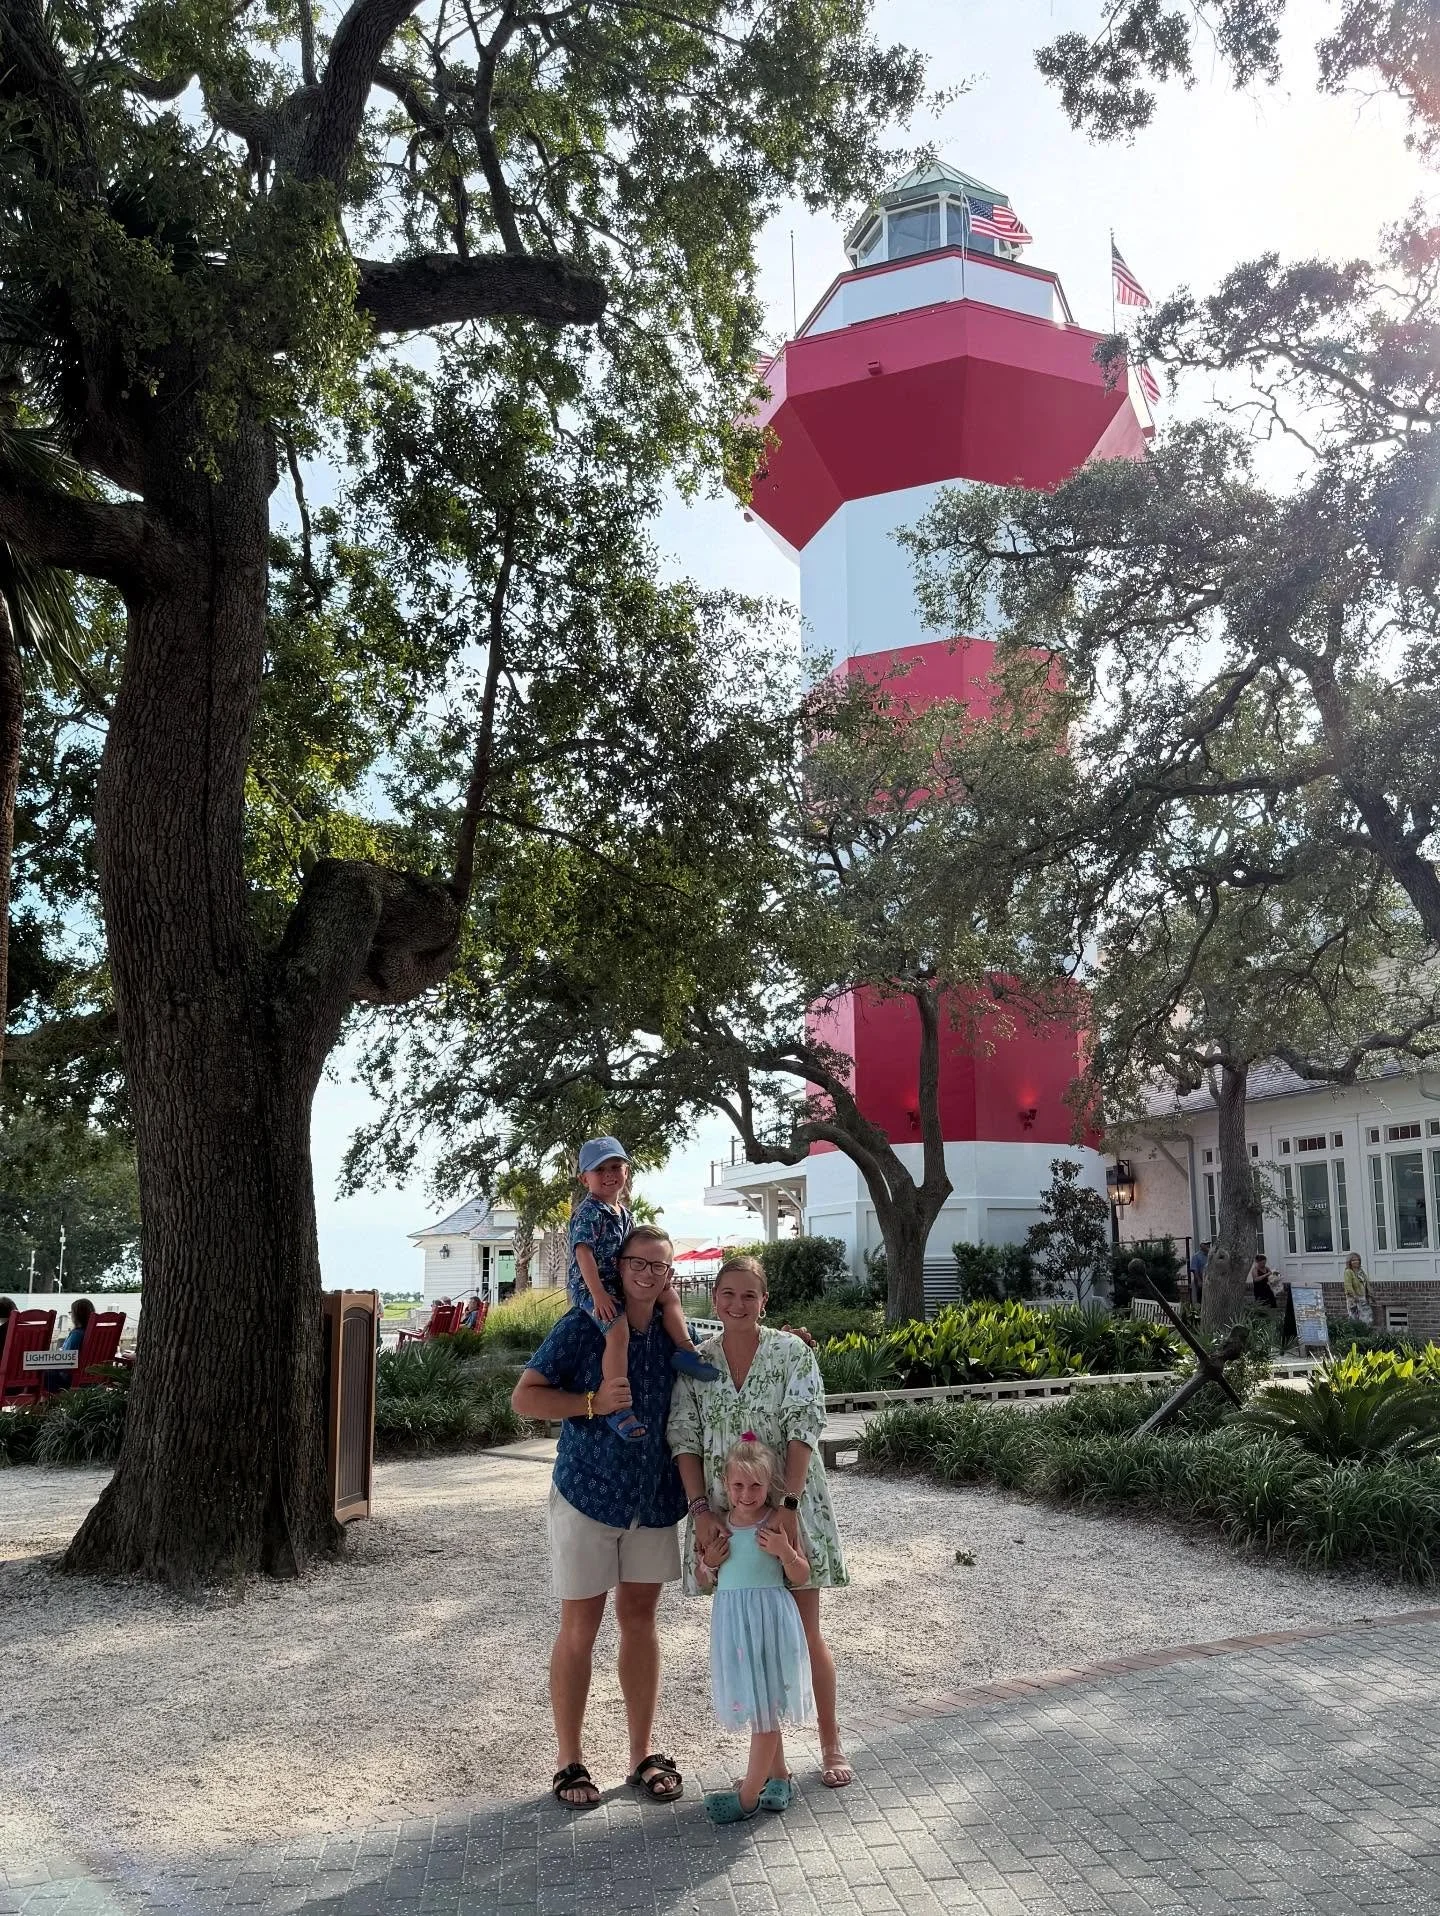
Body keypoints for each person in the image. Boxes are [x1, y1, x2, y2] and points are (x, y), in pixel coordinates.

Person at [511, 1224, 692, 1811]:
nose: (647, 1275)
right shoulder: (583, 1324)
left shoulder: (671, 1334)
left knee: (640, 1620)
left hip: (653, 1497)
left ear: (669, 1276)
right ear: (619, 1266)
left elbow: (722, 1364)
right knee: (580, 1626)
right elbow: (525, 1397)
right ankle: (569, 1761)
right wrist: (591, 1404)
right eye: (638, 1263)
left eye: (659, 1267)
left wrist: (786, 1342)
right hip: (587, 1494)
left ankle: (641, 1754)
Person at [668, 1253, 854, 1790]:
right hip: (728, 1517)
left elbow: (804, 1425)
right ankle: (771, 1762)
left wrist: (788, 1506)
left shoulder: (792, 1352)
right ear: (715, 1299)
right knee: (752, 1631)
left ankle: (829, 1741)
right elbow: (685, 1438)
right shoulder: (697, 1365)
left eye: (749, 1295)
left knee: (806, 1630)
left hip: (792, 1508)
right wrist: (700, 1511)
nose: (737, 1304)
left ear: (763, 1301)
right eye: (728, 1294)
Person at [569, 1136, 717, 1443]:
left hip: (618, 1280)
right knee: (617, 1330)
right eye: (600, 1170)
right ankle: (617, 1405)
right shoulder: (589, 1212)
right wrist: (597, 1294)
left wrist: (651, 1274)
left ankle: (686, 1350)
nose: (610, 1174)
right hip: (591, 1284)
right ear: (585, 1178)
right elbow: (583, 1253)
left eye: (616, 1166)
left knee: (670, 1295)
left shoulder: (623, 1213)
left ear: (626, 1172)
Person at [699, 1435, 815, 1824]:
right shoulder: (722, 1527)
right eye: (738, 1485)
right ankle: (779, 1775)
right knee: (759, 1701)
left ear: (770, 1486)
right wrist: (710, 1565)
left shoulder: (776, 1523)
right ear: (725, 1485)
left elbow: (801, 1574)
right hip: (735, 1626)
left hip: (770, 1622)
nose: (747, 1494)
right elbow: (705, 1580)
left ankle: (748, 1796)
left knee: (765, 1711)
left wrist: (785, 1553)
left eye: (756, 1486)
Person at [45, 1296, 93, 1392]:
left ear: (76, 1316)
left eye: (71, 1313)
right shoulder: (92, 1334)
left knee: (41, 1372)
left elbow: (67, 1360)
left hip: (68, 1381)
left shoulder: (77, 1334)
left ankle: (40, 1404)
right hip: (90, 1380)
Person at [1342, 1253, 1374, 1327]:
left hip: (1363, 1297)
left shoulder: (1360, 1271)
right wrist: (1354, 1296)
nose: (1356, 1261)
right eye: (1353, 1260)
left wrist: (1370, 1294)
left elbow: (1366, 1283)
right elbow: (1348, 1285)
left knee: (1367, 1317)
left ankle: (1366, 1333)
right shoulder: (1348, 1272)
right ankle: (1356, 1335)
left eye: (1357, 1260)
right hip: (1354, 1299)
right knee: (1355, 1319)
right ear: (1349, 1262)